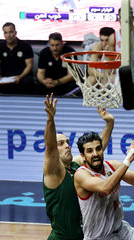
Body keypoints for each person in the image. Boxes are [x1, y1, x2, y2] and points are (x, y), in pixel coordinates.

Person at [43, 93, 115, 240]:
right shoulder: (54, 172)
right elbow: (50, 146)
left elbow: (97, 150)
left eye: (68, 142)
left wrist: (109, 124)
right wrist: (50, 119)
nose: (67, 146)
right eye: (61, 143)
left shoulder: (76, 166)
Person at [74, 132, 134, 240]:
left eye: (98, 149)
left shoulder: (113, 166)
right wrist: (128, 159)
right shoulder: (81, 174)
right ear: (83, 156)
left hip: (123, 231)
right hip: (99, 237)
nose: (95, 154)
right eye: (89, 151)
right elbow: (105, 187)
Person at [0, 22, 35, 94]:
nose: (8, 35)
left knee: (28, 81)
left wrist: (20, 77)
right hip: (4, 75)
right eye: (6, 33)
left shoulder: (25, 45)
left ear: (15, 33)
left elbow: (29, 66)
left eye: (11, 32)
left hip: (21, 75)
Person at [37, 32, 79, 96]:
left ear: (62, 44)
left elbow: (72, 75)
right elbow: (40, 73)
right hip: (49, 83)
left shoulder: (70, 53)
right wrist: (44, 81)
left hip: (65, 84)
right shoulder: (44, 53)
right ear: (49, 44)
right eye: (52, 45)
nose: (55, 48)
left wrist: (56, 82)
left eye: (57, 45)